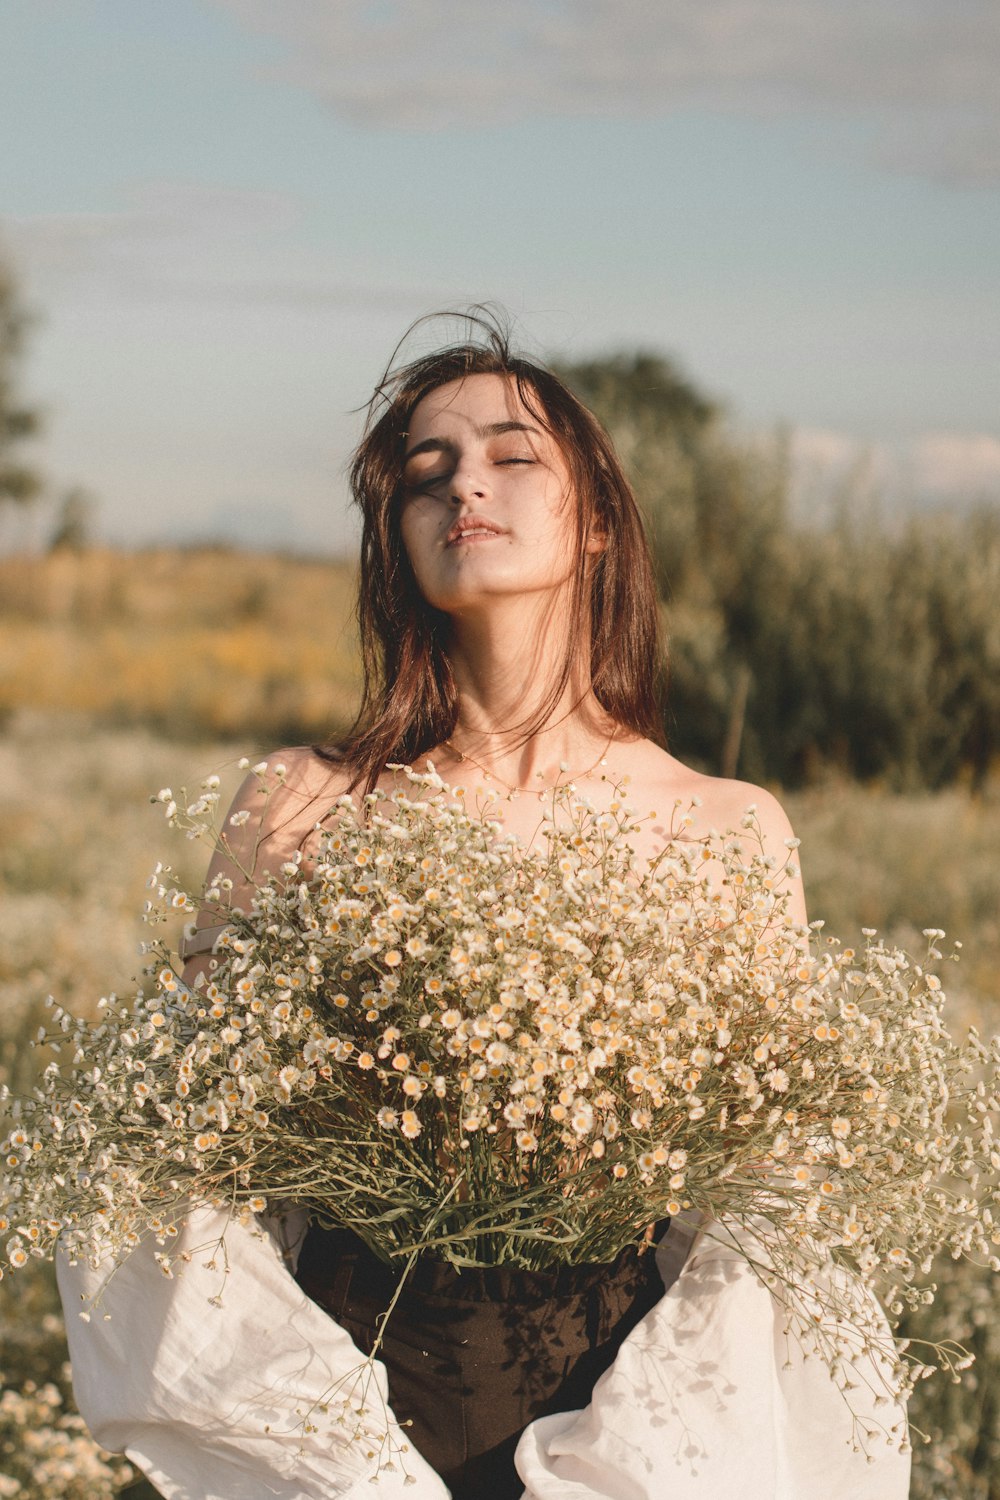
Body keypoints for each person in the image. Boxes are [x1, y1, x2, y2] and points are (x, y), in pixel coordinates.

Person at [60, 310, 909, 1500]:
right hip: (341, 1405)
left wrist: (644, 1452)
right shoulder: (299, 804)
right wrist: (313, 1444)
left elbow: (767, 1202)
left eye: (513, 457)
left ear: (598, 518)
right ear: (395, 534)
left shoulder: (727, 826)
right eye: (425, 474)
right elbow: (186, 1157)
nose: (465, 487)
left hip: (623, 1407)